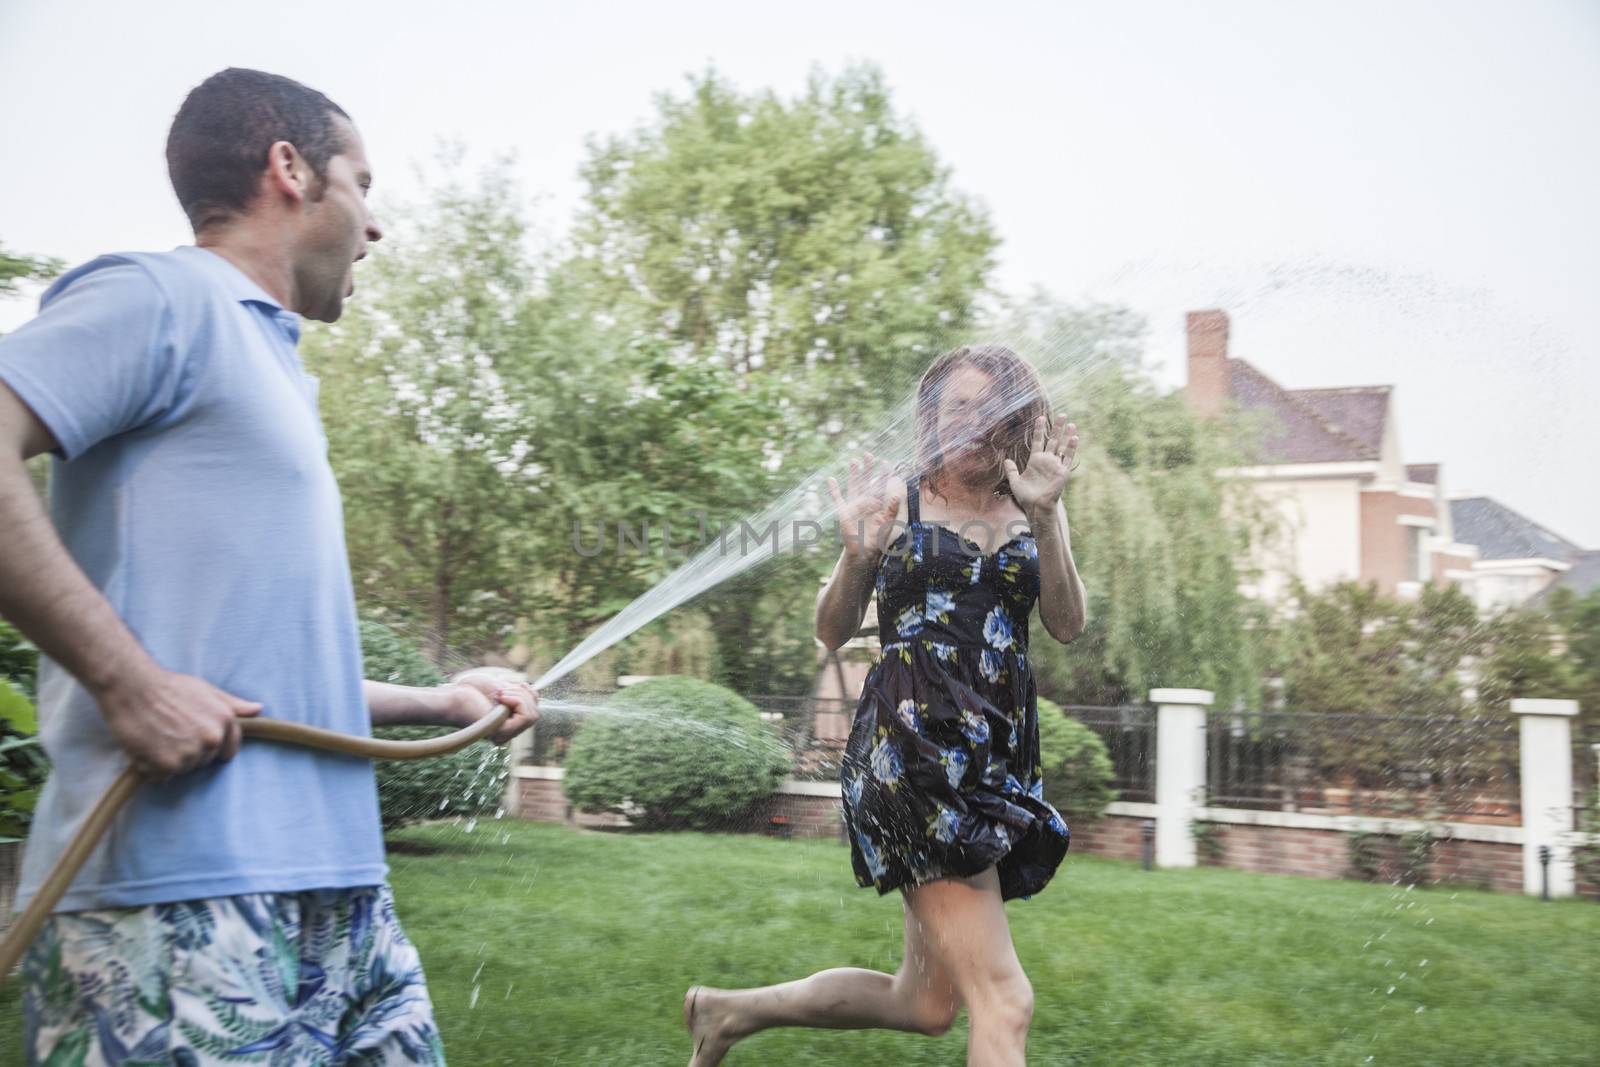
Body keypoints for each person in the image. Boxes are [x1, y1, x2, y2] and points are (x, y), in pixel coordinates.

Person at [0, 68, 536, 1064]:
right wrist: (129, 683)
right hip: (173, 896)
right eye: (362, 182)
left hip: (339, 894)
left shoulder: (268, 364)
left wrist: (434, 698)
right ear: (288, 169)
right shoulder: (162, 296)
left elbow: (254, 668)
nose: (373, 223)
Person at [683, 344, 1087, 1067]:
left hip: (990, 763)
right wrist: (857, 555)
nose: (970, 420)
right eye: (954, 406)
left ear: (1014, 418)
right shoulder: (894, 502)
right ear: (931, 417)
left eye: (986, 407)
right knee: (1005, 998)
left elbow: (1066, 622)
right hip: (910, 756)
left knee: (925, 1003)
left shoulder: (1034, 503)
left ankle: (726, 1012)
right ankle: (725, 1013)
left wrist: (1050, 519)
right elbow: (831, 630)